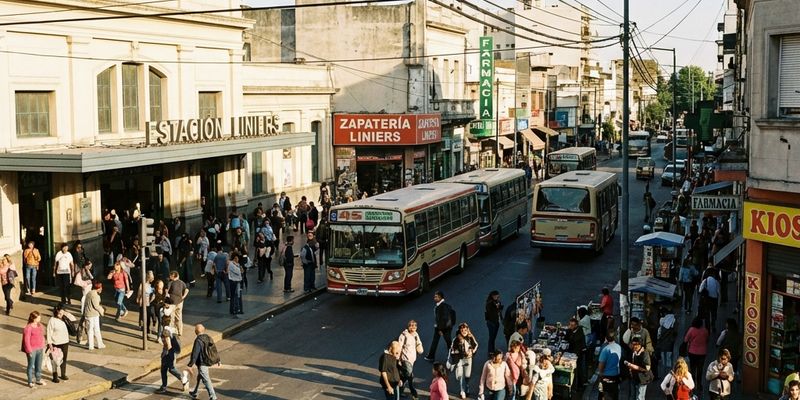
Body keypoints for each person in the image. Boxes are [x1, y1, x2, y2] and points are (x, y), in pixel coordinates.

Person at [188, 324, 218, 400]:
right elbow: (213, 349)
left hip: (202, 363)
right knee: (200, 377)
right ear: (204, 330)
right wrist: (218, 359)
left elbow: (195, 353)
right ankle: (195, 392)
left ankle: (213, 396)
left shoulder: (198, 340)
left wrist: (190, 365)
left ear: (195, 332)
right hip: (207, 361)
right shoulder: (208, 337)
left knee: (206, 379)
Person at [450, 322, 479, 400]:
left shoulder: (470, 337)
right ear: (459, 330)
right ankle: (462, 390)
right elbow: (452, 349)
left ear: (468, 330)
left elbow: (476, 345)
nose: (464, 331)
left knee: (467, 375)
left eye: (465, 330)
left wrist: (471, 352)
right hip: (459, 359)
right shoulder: (456, 339)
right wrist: (457, 352)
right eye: (462, 330)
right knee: (460, 375)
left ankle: (467, 386)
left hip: (468, 359)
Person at [156, 329, 189, 393]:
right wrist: (164, 353)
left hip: (172, 353)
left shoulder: (171, 340)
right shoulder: (167, 336)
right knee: (163, 369)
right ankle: (164, 386)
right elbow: (165, 347)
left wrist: (168, 347)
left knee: (171, 369)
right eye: (162, 339)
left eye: (164, 339)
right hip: (168, 352)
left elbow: (171, 349)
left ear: (167, 337)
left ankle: (184, 379)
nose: (162, 341)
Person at [425, 291, 454, 361]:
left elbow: (443, 319)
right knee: (447, 341)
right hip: (447, 327)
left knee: (443, 341)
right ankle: (452, 355)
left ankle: (431, 356)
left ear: (440, 297)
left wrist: (440, 329)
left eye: (436, 297)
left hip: (442, 327)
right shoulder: (446, 305)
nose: (434, 298)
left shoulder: (440, 307)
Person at [398, 320, 424, 400]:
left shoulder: (416, 334)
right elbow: (399, 347)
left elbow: (419, 345)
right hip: (405, 359)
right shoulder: (404, 335)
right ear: (408, 326)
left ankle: (399, 390)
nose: (413, 327)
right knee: (410, 376)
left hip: (412, 360)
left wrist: (419, 346)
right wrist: (398, 359)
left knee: (404, 377)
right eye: (411, 325)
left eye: (415, 326)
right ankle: (414, 393)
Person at [684, 317, 709, 393]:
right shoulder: (705, 330)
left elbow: (685, 339)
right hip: (702, 352)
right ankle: (699, 384)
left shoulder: (691, 330)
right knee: (700, 369)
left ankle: (692, 384)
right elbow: (707, 339)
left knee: (693, 368)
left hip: (692, 352)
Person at [46, 305, 71, 382]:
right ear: (56, 312)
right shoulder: (52, 320)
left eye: (62, 313)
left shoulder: (65, 318)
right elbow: (49, 332)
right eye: (60, 313)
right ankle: (55, 376)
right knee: (54, 360)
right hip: (56, 343)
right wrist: (50, 344)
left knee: (64, 359)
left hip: (65, 342)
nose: (61, 315)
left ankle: (63, 374)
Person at [22, 311, 46, 388]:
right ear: (34, 318)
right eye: (38, 317)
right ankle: (30, 381)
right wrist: (29, 351)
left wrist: (43, 345)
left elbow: (42, 336)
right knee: (31, 366)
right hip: (32, 349)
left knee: (38, 365)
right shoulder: (28, 327)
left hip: (40, 348)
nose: (40, 319)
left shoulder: (40, 325)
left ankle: (38, 379)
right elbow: (26, 340)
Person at [597, 332, 622, 400]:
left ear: (606, 338)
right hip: (616, 375)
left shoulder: (605, 349)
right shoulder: (618, 347)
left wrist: (600, 374)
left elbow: (601, 364)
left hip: (606, 376)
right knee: (614, 395)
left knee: (605, 396)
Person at [84, 282, 106, 350]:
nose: (101, 289)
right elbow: (96, 306)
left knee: (89, 330)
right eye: (101, 288)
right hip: (94, 315)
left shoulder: (89, 293)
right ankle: (100, 344)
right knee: (96, 330)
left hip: (88, 314)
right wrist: (102, 311)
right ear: (98, 288)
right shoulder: (95, 295)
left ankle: (91, 345)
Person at [698, 266, 721, 331]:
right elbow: (718, 292)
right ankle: (713, 325)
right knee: (713, 313)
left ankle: (707, 327)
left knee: (707, 314)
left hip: (706, 300)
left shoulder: (705, 281)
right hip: (714, 300)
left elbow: (700, 290)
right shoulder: (716, 282)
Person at [566, 317, 587, 386]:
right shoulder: (570, 330)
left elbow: (573, 340)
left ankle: (580, 383)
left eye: (572, 325)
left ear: (576, 325)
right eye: (570, 325)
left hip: (578, 352)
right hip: (572, 351)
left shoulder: (579, 332)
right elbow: (566, 338)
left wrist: (569, 330)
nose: (570, 326)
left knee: (579, 368)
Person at [484, 290, 503, 355]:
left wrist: (501, 318)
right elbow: (490, 311)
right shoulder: (489, 303)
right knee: (491, 337)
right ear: (492, 296)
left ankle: (492, 349)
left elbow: (500, 311)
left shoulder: (498, 302)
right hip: (491, 322)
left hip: (496, 321)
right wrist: (497, 307)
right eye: (496, 296)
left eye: (498, 296)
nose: (497, 297)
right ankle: (490, 351)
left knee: (494, 337)